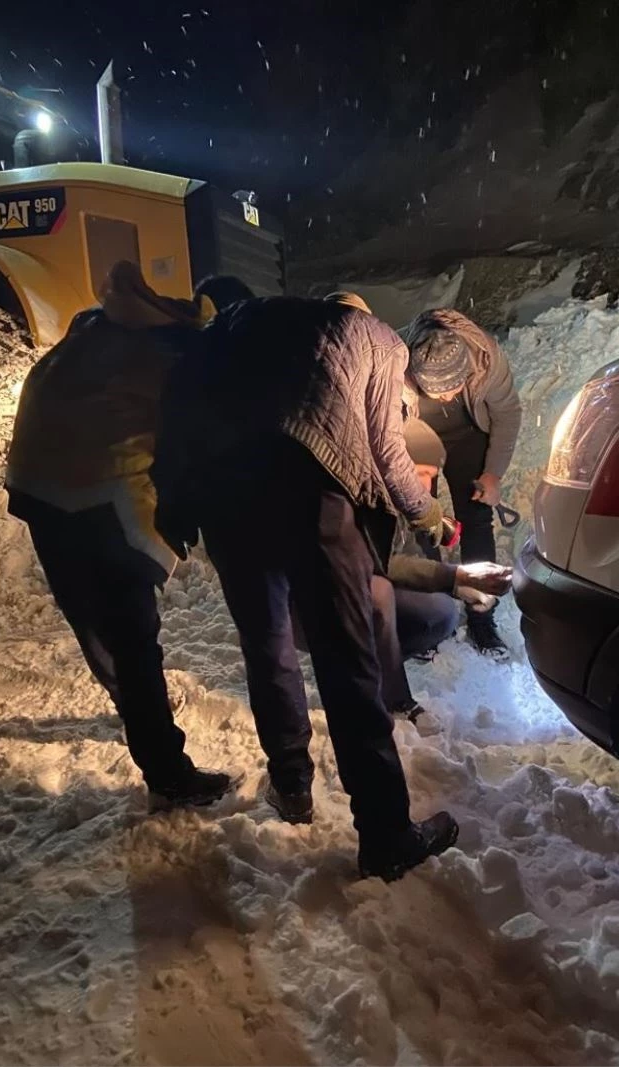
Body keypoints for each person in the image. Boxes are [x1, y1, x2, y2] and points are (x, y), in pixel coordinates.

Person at [153, 289, 459, 881]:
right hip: (307, 483)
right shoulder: (380, 341)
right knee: (348, 663)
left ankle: (291, 784)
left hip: (224, 493)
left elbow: (177, 404)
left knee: (267, 645)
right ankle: (386, 835)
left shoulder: (237, 325)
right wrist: (429, 519)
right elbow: (387, 452)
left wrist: (175, 501)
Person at [5, 262, 246, 813]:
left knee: (99, 623)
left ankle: (131, 700)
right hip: (100, 494)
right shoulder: (186, 354)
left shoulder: (97, 326)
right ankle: (168, 770)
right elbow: (196, 449)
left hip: (36, 486)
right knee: (133, 637)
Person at [290, 416, 513, 733]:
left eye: (432, 477)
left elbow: (405, 557)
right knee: (379, 592)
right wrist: (455, 577)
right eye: (420, 473)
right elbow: (376, 563)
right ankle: (392, 699)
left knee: (440, 613)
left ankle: (370, 663)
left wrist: (434, 535)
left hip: (354, 592)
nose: (425, 486)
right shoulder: (355, 493)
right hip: (306, 607)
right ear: (395, 464)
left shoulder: (402, 497)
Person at [402, 308, 521, 661]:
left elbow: (507, 413)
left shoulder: (485, 357)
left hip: (468, 434)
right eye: (436, 392)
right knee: (422, 521)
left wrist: (493, 475)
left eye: (453, 387)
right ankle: (433, 614)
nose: (447, 397)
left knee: (476, 516)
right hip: (417, 437)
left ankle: (481, 615)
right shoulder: (394, 364)